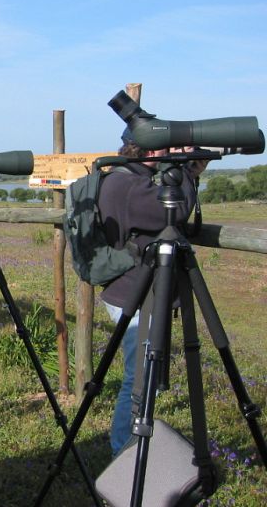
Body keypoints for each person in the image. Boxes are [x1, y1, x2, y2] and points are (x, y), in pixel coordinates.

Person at [98, 128, 205, 455]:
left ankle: (128, 447)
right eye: (165, 147)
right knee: (140, 381)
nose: (169, 152)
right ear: (146, 149)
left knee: (141, 379)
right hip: (137, 295)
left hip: (135, 292)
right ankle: (124, 451)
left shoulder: (128, 177)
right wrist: (186, 171)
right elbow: (173, 211)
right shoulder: (129, 184)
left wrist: (188, 173)